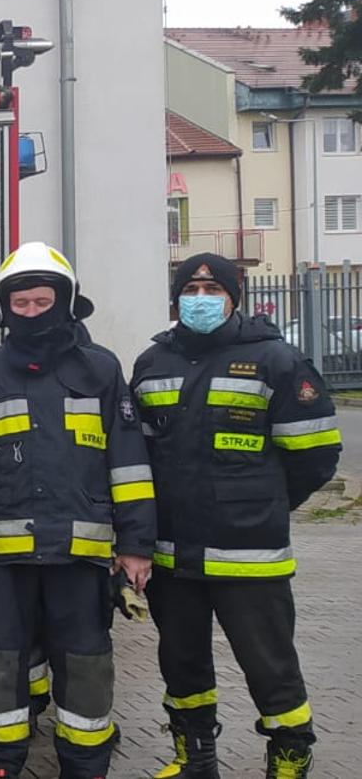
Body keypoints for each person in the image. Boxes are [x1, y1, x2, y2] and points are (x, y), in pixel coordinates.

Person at [0, 242, 153, 779]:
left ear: (66, 303)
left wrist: (135, 545)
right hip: (3, 562)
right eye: (21, 304)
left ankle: (85, 765)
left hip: (80, 557)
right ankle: (0, 763)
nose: (32, 312)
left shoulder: (102, 371)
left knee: (85, 665)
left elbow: (129, 464)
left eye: (42, 301)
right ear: (4, 309)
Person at [134, 253, 340, 778]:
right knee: (182, 663)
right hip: (173, 553)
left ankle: (290, 755)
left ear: (233, 298)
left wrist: (263, 503)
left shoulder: (277, 361)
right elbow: (140, 454)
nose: (200, 298)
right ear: (176, 299)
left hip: (250, 553)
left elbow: (316, 456)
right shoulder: (152, 364)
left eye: (213, 290)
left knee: (270, 666)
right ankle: (194, 757)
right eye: (190, 289)